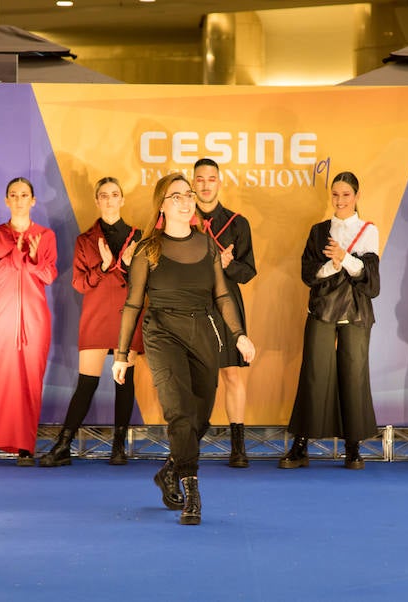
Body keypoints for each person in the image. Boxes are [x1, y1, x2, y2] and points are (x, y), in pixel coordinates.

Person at [112, 173, 256, 526]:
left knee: (200, 417)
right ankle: (192, 492)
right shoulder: (148, 249)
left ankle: (169, 470)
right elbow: (132, 304)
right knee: (179, 412)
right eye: (176, 195)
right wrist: (120, 355)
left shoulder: (207, 246)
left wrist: (239, 335)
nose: (186, 200)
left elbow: (222, 295)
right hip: (162, 333)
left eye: (189, 194)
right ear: (162, 205)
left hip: (204, 332)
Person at [38, 177, 143, 468]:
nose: (109, 200)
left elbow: (145, 284)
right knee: (86, 383)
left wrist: (129, 264)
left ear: (122, 199)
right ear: (97, 201)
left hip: (127, 315)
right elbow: (80, 284)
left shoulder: (139, 237)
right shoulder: (85, 240)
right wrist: (105, 267)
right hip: (96, 316)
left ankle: (119, 446)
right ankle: (63, 445)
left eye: (114, 194)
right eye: (104, 196)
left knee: (124, 381)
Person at [279, 171, 379, 470]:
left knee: (354, 377)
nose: (340, 200)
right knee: (314, 375)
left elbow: (371, 281)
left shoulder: (368, 230)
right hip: (322, 310)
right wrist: (334, 264)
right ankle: (300, 445)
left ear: (357, 196)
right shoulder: (319, 230)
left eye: (346, 194)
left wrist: (345, 258)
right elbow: (308, 273)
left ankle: (353, 447)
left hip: (356, 312)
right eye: (335, 194)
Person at [0, 177, 57, 467]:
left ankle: (25, 446)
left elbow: (49, 276)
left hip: (34, 318)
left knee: (29, 381)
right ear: (6, 201)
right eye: (13, 195)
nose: (19, 199)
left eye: (24, 194)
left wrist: (31, 258)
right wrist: (16, 254)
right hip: (2, 316)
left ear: (33, 201)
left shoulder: (46, 236)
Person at [192, 158, 257, 468]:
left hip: (227, 305)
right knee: (194, 377)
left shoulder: (237, 223)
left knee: (231, 374)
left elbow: (249, 272)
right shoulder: (180, 219)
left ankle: (238, 445)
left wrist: (229, 265)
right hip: (192, 305)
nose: (205, 184)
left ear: (219, 182)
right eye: (200, 179)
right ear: (193, 182)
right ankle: (188, 442)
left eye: (211, 179)